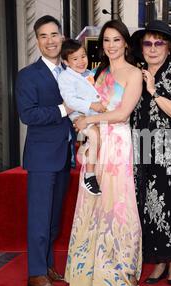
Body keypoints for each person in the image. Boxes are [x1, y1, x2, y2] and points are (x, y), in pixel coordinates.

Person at [64, 20, 143, 286]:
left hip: (119, 144)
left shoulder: (134, 74)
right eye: (106, 40)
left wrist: (90, 119)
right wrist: (86, 134)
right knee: (93, 205)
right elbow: (83, 103)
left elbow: (122, 114)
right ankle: (88, 273)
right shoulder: (99, 72)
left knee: (117, 204)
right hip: (97, 142)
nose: (110, 45)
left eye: (116, 40)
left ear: (125, 43)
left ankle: (117, 273)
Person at [130, 20, 171, 286]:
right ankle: (157, 261)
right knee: (147, 205)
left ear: (168, 48)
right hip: (142, 143)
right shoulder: (136, 72)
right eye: (148, 43)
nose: (153, 48)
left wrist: (154, 91)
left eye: (159, 43)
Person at [15, 15, 75, 286]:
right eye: (43, 36)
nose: (50, 41)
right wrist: (65, 109)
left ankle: (48, 264)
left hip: (64, 155)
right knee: (40, 216)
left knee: (53, 218)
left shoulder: (69, 71)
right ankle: (36, 273)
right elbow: (28, 115)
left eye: (54, 35)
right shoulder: (28, 75)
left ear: (62, 37)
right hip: (41, 158)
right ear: (37, 41)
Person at [58, 39, 107, 195]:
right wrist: (92, 106)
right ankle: (89, 175)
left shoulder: (89, 74)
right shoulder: (65, 77)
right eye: (75, 58)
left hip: (95, 115)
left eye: (83, 56)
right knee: (94, 134)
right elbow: (71, 100)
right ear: (66, 62)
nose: (81, 61)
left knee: (102, 137)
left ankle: (87, 153)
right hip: (79, 116)